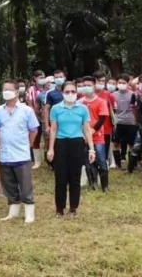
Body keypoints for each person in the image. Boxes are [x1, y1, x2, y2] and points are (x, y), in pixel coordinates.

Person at [0, 80, 39, 223]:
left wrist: (29, 144)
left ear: (16, 92)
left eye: (9, 89)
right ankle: (13, 212)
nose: (6, 91)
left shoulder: (26, 110)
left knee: (25, 186)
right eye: (4, 89)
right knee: (9, 184)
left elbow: (33, 130)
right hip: (5, 154)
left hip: (21, 154)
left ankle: (29, 214)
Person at [48, 81, 96, 216]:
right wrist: (51, 148)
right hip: (61, 143)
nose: (70, 94)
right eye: (67, 92)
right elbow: (53, 129)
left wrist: (91, 148)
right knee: (60, 178)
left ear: (77, 93)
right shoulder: (56, 108)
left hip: (77, 144)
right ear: (62, 93)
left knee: (75, 177)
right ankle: (59, 208)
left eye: (73, 92)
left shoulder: (83, 109)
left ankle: (73, 207)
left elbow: (86, 130)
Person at [80, 76, 109, 192]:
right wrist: (84, 134)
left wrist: (91, 132)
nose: (87, 87)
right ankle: (92, 184)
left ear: (94, 86)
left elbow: (102, 119)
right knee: (88, 161)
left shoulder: (101, 102)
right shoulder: (79, 102)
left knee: (101, 161)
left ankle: (105, 186)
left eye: (89, 85)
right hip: (83, 136)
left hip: (98, 136)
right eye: (84, 85)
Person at [112, 74, 137, 169]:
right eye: (119, 82)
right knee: (116, 143)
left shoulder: (133, 94)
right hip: (118, 122)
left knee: (131, 144)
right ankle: (118, 164)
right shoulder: (113, 95)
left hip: (131, 122)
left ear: (128, 83)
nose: (121, 84)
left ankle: (132, 165)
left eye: (123, 83)